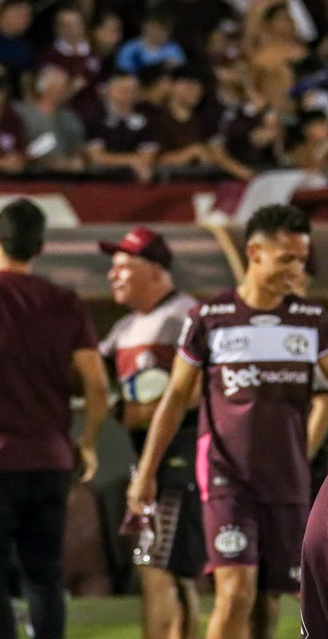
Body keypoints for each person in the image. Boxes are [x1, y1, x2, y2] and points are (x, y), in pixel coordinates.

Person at [128, 205, 328, 639]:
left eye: (301, 259)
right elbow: (174, 400)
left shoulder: (311, 322)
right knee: (235, 591)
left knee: (267, 602)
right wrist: (147, 474)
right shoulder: (211, 318)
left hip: (286, 481)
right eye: (287, 258)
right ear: (254, 253)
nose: (296, 269)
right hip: (227, 479)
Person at [0, 198, 109, 639]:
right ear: (41, 246)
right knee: (44, 577)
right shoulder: (64, 302)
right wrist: (88, 442)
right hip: (50, 459)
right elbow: (96, 383)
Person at [98, 227, 205, 639]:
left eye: (124, 266)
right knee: (169, 570)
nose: (113, 276)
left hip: (177, 460)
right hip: (146, 461)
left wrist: (143, 411)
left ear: (157, 270)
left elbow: (194, 392)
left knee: (157, 567)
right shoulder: (125, 328)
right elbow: (96, 376)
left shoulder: (184, 317)